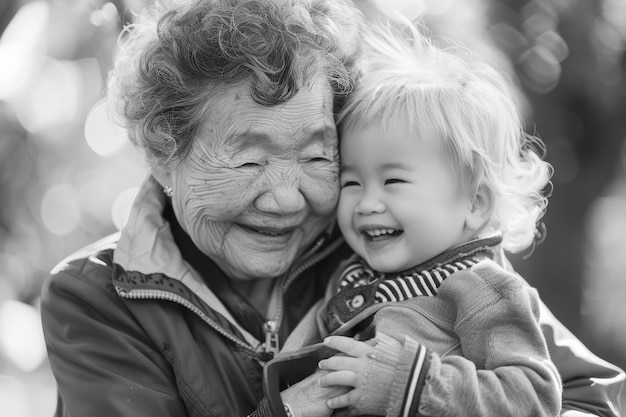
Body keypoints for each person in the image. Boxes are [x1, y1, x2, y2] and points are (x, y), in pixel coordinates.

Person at [39, 1, 624, 417]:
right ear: (164, 158)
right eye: (249, 163)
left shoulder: (397, 244)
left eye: (319, 157)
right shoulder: (96, 299)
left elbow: (587, 397)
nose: (290, 199)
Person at [275, 21, 563, 417]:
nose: (366, 203)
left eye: (393, 180)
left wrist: (410, 384)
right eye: (352, 182)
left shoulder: (483, 290)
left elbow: (533, 397)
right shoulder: (351, 271)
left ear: (475, 203)